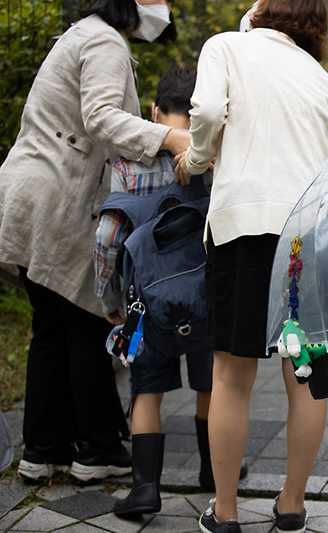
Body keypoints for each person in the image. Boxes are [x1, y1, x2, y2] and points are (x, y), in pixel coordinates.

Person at [0, 0, 191, 482]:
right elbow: (102, 118)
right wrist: (171, 142)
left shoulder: (82, 33)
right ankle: (98, 448)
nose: (162, 6)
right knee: (85, 320)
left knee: (53, 326)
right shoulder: (104, 40)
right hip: (59, 201)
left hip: (32, 195)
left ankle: (43, 450)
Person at [172, 1, 328, 531]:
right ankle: (291, 506)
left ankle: (224, 513)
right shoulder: (319, 77)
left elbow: (205, 114)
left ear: (264, 8)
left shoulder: (226, 46)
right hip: (304, 238)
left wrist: (197, 158)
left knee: (231, 373)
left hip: (244, 227)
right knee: (304, 375)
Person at [92, 69, 245, 518]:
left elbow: (107, 237)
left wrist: (111, 304)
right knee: (210, 383)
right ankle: (212, 473)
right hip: (202, 302)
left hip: (143, 308)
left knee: (145, 390)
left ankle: (144, 490)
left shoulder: (125, 167)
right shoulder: (210, 161)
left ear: (154, 112)